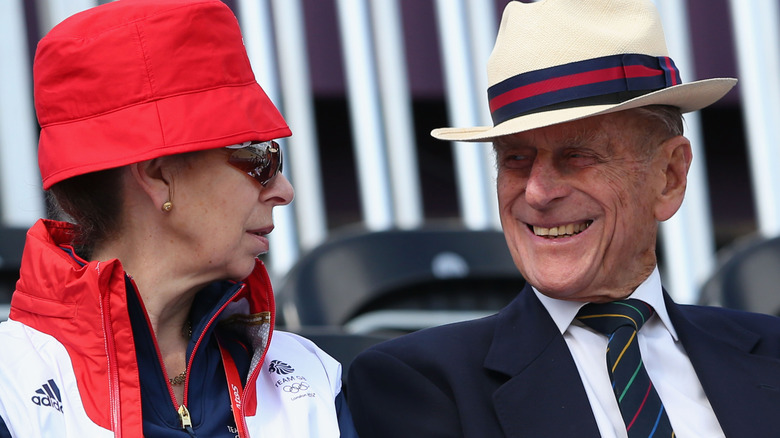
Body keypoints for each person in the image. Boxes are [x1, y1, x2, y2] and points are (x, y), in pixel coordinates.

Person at [346, 0, 780, 437]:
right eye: (515, 158)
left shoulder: (772, 351)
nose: (537, 192)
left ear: (668, 177)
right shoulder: (422, 382)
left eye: (578, 156)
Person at [0, 0, 357, 436]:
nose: (284, 190)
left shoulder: (310, 379)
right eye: (259, 157)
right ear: (159, 177)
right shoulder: (10, 388)